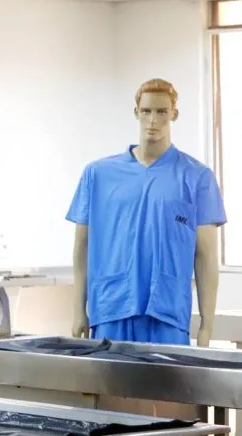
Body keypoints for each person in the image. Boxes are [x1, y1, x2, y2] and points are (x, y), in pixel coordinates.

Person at [66, 78, 227, 347]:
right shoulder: (98, 175)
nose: (153, 120)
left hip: (167, 313)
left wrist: (207, 325)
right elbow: (81, 247)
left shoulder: (197, 177)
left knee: (166, 389)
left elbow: (206, 257)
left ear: (174, 114)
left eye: (162, 112)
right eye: (147, 111)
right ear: (136, 113)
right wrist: (77, 311)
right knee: (108, 389)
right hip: (111, 308)